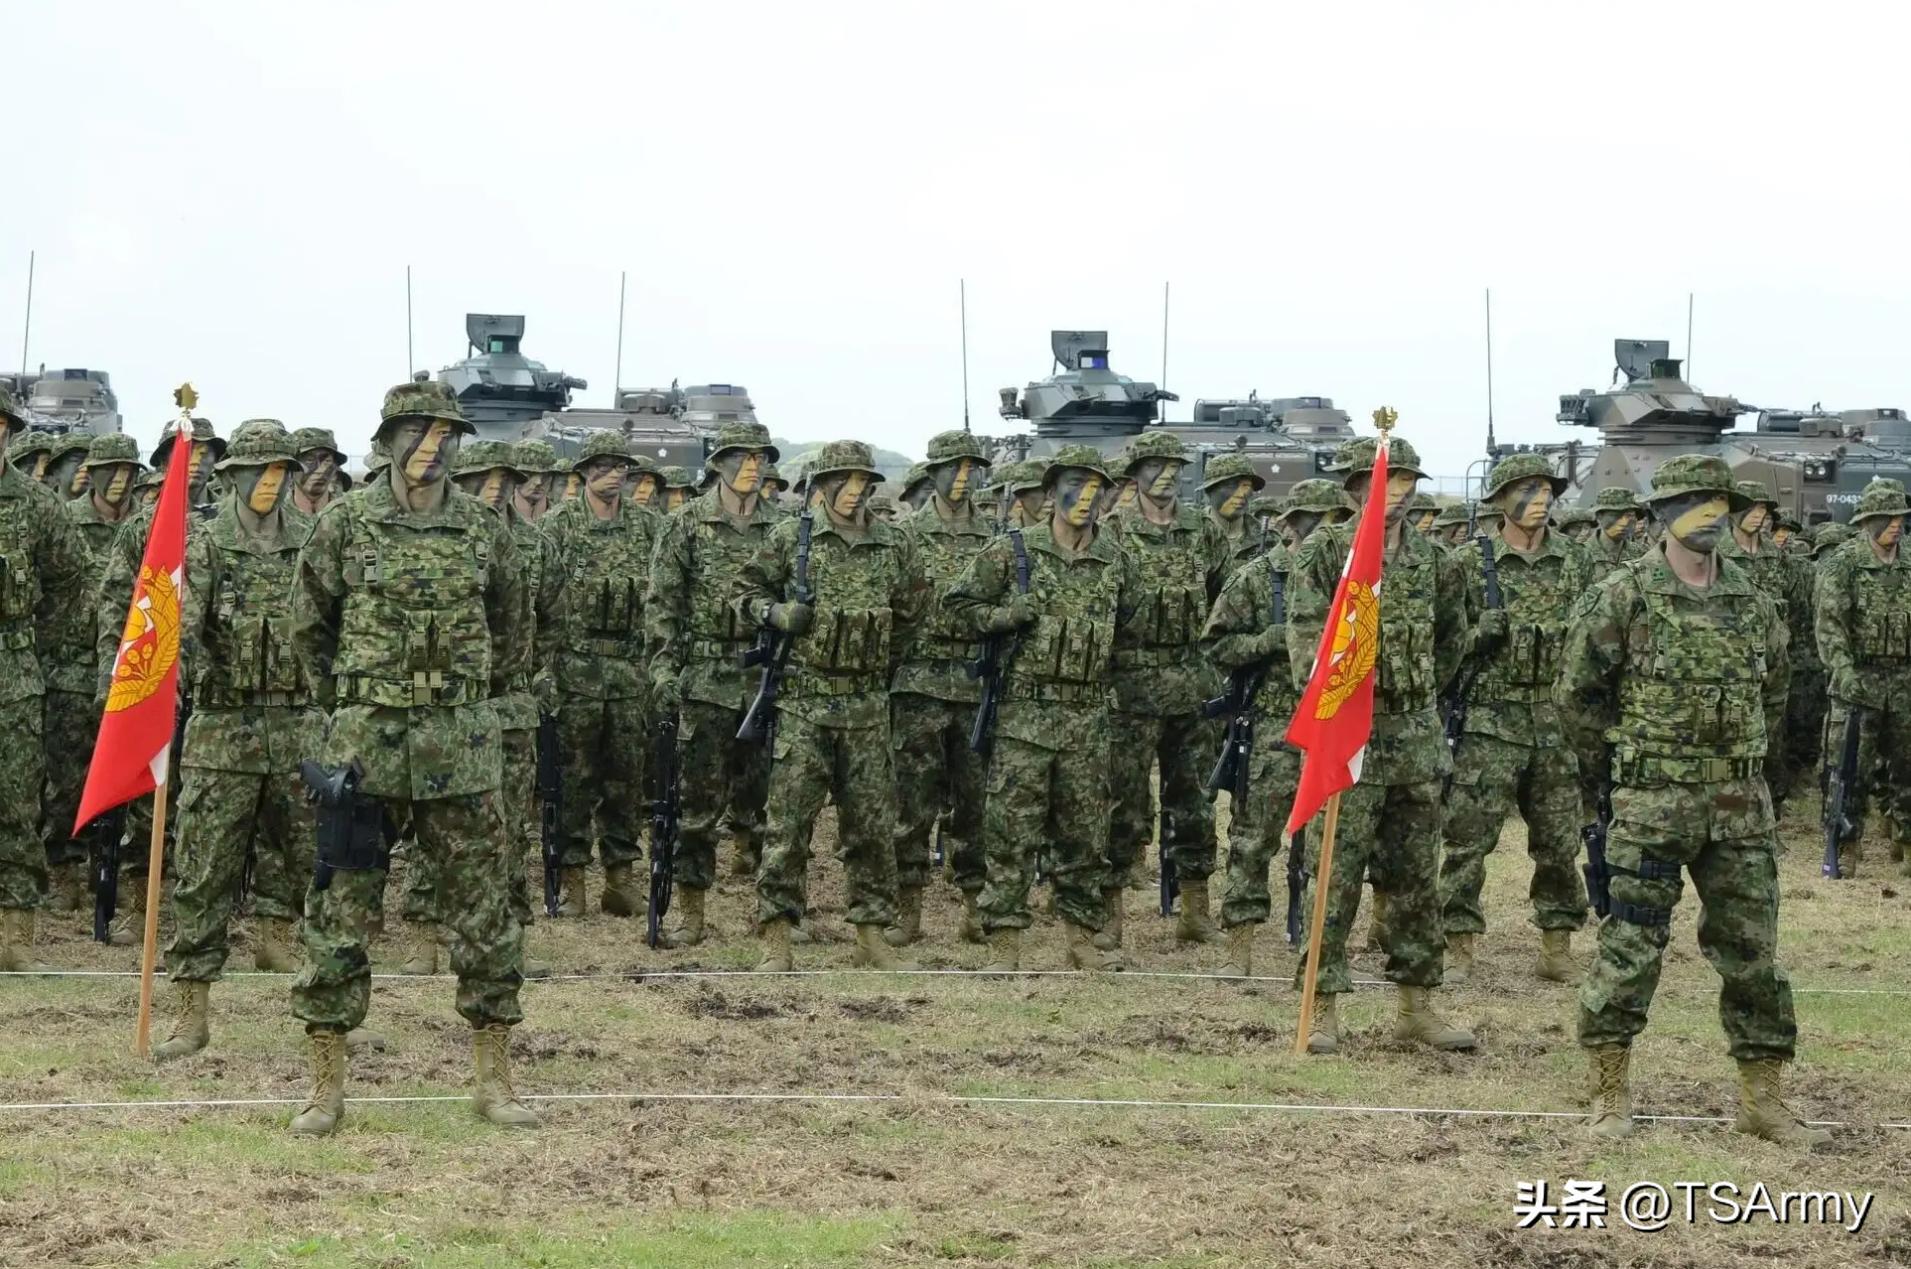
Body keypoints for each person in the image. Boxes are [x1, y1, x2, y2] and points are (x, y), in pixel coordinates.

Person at [288, 378, 533, 1135]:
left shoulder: (484, 529)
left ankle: (493, 1078)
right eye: (417, 434)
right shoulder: (345, 523)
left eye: (445, 435)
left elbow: (513, 629)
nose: (432, 447)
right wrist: (355, 702)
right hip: (367, 748)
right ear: (389, 441)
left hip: (460, 745)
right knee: (340, 909)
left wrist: (465, 698)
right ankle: (325, 1084)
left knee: (485, 910)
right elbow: (308, 628)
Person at [1559, 454, 1822, 1146]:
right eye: (1693, 503)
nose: (1709, 515)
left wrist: (1744, 766)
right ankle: (1609, 1093)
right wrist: (1619, 772)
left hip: (1738, 807)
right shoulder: (1622, 596)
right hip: (1651, 803)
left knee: (1753, 953)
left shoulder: (1753, 600)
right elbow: (1577, 697)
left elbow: (1774, 689)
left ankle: (1762, 1099)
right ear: (1662, 513)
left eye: (1719, 503)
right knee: (1629, 947)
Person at [1285, 432, 1474, 1055]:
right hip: (1349, 734)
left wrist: (1412, 690)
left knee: (1416, 876)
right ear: (1354, 489)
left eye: (1405, 482)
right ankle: (1322, 1003)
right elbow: (1306, 640)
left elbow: (1453, 639)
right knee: (1334, 873)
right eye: (1385, 481)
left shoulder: (1436, 560)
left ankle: (1417, 1003)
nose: (1397, 492)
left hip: (1414, 735)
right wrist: (1338, 707)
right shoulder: (1324, 554)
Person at [155, 421, 323, 1059]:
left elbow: (337, 624)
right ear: (233, 477)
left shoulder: (313, 539)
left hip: (300, 728)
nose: (270, 483)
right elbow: (177, 626)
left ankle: (332, 1006)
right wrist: (166, 683)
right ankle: (191, 1013)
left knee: (320, 872)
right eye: (259, 472)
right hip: (223, 732)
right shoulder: (204, 544)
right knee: (204, 874)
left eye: (281, 471)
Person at [944, 443, 1137, 971]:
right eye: (1075, 487)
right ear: (1051, 493)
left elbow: (1131, 626)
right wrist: (1004, 616)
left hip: (1087, 718)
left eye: (1096, 489)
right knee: (1011, 832)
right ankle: (1004, 943)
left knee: (1085, 835)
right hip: (1023, 719)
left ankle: (1081, 940)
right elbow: (957, 605)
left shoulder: (1116, 559)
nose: (1085, 499)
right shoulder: (1014, 551)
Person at [735, 440, 922, 971]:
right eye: (843, 481)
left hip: (867, 708)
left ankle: (871, 935)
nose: (854, 491)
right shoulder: (791, 538)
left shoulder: (895, 542)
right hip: (804, 705)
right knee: (788, 828)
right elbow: (742, 592)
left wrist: (872, 662)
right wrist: (775, 614)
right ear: (821, 486)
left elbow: (912, 614)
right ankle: (776, 937)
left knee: (872, 828)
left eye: (863, 481)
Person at [1438, 453, 1592, 984]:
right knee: (1467, 841)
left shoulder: (1577, 561)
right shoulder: (1467, 563)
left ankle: (1557, 946)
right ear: (1501, 500)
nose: (1540, 500)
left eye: (1547, 490)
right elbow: (1441, 644)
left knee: (1559, 842)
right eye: (1528, 490)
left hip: (1555, 721)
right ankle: (1458, 946)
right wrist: (1477, 635)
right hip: (1488, 723)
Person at [1199, 478, 1351, 976]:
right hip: (1273, 729)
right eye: (1317, 523)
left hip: (1332, 727)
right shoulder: (1258, 578)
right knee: (1253, 839)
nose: (1326, 534)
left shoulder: (1355, 582)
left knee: (1328, 847)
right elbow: (1216, 644)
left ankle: (1315, 946)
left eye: (1336, 523)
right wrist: (1268, 641)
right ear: (1292, 526)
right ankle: (1239, 946)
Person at [645, 422, 782, 944]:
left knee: (773, 806)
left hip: (766, 679)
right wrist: (664, 669)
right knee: (696, 807)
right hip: (705, 680)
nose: (752, 466)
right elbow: (663, 604)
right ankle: (691, 912)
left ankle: (774, 914)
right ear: (719, 465)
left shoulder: (784, 527)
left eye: (759, 458)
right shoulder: (686, 524)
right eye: (741, 458)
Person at [93, 416, 227, 945]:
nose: (195, 460)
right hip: (152, 685)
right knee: (149, 802)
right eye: (184, 451)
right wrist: (113, 680)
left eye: (205, 451)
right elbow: (114, 605)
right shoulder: (142, 528)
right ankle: (138, 904)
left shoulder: (227, 525)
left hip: (216, 690)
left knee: (209, 806)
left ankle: (200, 910)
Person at [1097, 430, 1231, 948]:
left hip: (1192, 685)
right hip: (1128, 689)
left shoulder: (1203, 530)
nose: (1167, 475)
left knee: (1195, 802)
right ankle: (1110, 915)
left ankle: (1195, 911)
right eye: (1156, 466)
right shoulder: (1112, 532)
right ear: (1135, 475)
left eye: (1175, 466)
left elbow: (1223, 598)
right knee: (1122, 804)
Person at [447, 440, 563, 977]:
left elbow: (555, 617)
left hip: (511, 705)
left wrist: (529, 670)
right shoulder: (439, 539)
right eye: (483, 479)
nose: (495, 490)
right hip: (447, 705)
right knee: (441, 826)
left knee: (512, 827)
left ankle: (508, 937)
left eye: (504, 480)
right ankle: (427, 934)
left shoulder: (534, 545)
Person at [540, 432, 660, 918]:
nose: (613, 475)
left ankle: (620, 878)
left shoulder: (648, 527)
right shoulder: (559, 525)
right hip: (575, 672)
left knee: (626, 781)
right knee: (573, 779)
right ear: (585, 472)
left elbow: (663, 598)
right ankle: (572, 881)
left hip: (631, 675)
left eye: (621, 467)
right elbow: (542, 599)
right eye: (603, 466)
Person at [887, 430, 992, 945]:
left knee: (976, 805)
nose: (964, 477)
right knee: (913, 805)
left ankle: (976, 907)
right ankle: (907, 910)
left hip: (975, 687)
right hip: (918, 686)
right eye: (955, 467)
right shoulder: (904, 535)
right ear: (933, 474)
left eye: (973, 468)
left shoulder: (995, 535)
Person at [0, 387, 91, 973]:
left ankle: (14, 931)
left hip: (13, 674)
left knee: (15, 802)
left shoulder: (35, 504)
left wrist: (33, 643)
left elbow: (70, 579)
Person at [41, 434, 147, 915]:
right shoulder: (65, 521)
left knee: (125, 782)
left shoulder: (147, 527)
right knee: (67, 781)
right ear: (94, 474)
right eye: (111, 470)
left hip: (131, 673)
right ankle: (63, 868)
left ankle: (110, 870)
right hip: (71, 671)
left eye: (128, 470)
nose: (120, 479)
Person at [1813, 478, 1911, 879]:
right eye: (1888, 518)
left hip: (1905, 680)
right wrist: (1844, 672)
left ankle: (1906, 840)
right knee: (1849, 769)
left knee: (1907, 767)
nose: (1896, 525)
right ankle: (1846, 843)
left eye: (1900, 517)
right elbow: (1830, 625)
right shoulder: (1844, 564)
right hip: (1858, 682)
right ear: (1868, 521)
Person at [1719, 480, 1812, 814]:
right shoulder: (1716, 554)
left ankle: (1771, 807)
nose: (1759, 516)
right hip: (1728, 662)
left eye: (1763, 510)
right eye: (1752, 508)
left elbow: (1797, 608)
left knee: (1773, 736)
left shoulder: (1778, 557)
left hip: (1771, 663)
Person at [1202, 454, 1268, 576]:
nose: (1241, 494)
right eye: (1231, 486)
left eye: (1247, 487)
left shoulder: (1269, 540)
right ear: (1210, 490)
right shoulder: (1187, 535)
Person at [1584, 486, 1647, 583]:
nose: (1624, 523)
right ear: (1599, 517)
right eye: (1615, 516)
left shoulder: (1642, 554)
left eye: (1629, 516)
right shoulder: (1580, 555)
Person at [288, 427, 349, 516]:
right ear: (292, 466)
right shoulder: (275, 512)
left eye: (327, 461)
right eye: (309, 460)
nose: (319, 470)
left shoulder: (351, 511)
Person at [511, 440, 564, 524]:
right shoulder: (497, 517)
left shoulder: (565, 518)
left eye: (545, 475)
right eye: (529, 474)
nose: (538, 482)